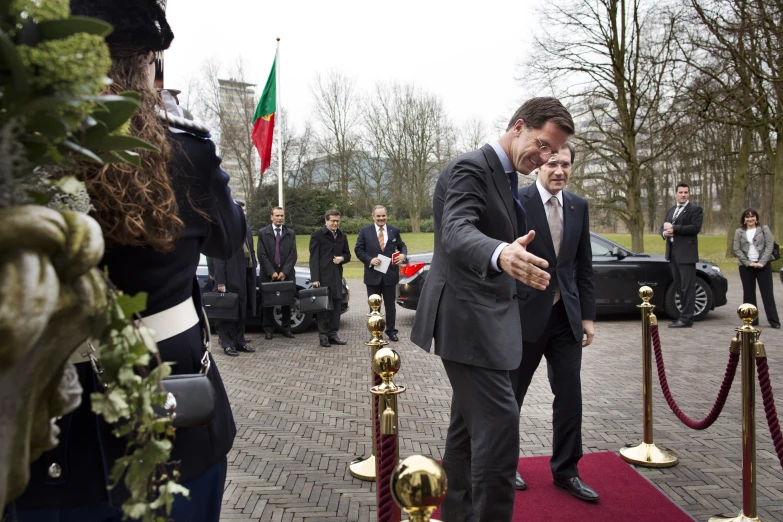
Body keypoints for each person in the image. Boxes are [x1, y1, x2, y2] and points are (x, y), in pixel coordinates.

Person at [11, 1, 245, 520]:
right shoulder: (186, 149)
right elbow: (229, 239)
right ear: (146, 62)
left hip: (50, 434)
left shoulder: (21, 152)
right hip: (175, 416)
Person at [410, 97, 574, 522]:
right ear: (518, 126)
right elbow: (456, 231)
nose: (541, 159)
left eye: (551, 154)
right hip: (466, 322)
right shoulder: (471, 168)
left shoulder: (505, 178)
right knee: (500, 429)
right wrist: (501, 254)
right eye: (540, 146)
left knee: (465, 434)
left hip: (489, 325)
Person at [512, 144, 598, 501]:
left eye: (565, 164)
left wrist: (588, 317)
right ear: (538, 167)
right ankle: (504, 465)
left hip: (567, 318)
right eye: (552, 163)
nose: (559, 170)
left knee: (569, 397)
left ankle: (566, 470)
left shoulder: (579, 205)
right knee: (510, 397)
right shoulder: (518, 201)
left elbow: (583, 265)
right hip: (526, 317)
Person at [354, 205, 407, 341]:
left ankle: (391, 331)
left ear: (386, 216)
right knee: (374, 306)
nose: (381, 218)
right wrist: (370, 260)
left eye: (383, 216)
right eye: (378, 216)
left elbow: (402, 245)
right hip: (373, 275)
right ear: (373, 217)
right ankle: (375, 331)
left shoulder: (394, 230)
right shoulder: (365, 231)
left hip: (390, 275)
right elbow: (358, 250)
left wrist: (403, 255)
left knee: (391, 307)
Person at [213, 201, 257, 355]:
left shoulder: (247, 231)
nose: (244, 213)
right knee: (228, 313)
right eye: (241, 210)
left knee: (241, 312)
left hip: (245, 277)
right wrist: (221, 282)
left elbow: (251, 253)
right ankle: (227, 344)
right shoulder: (224, 232)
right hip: (230, 277)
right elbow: (218, 259)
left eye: (245, 210)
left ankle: (240, 341)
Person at [660, 183, 703, 328]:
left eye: (685, 192)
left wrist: (674, 229)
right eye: (680, 192)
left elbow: (695, 228)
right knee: (678, 286)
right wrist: (664, 233)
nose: (683, 194)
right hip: (672, 254)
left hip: (686, 255)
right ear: (676, 194)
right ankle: (682, 316)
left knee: (687, 287)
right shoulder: (671, 210)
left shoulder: (695, 210)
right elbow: (663, 228)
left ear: (689, 194)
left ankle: (687, 318)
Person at [309, 209, 351, 348]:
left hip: (337, 277)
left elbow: (348, 255)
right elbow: (313, 258)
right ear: (326, 220)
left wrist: (342, 259)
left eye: (337, 221)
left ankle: (333, 335)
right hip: (322, 278)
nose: (335, 223)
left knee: (336, 308)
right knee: (324, 309)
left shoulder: (342, 236)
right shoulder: (317, 235)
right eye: (332, 220)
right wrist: (315, 278)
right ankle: (323, 337)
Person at [733, 208, 780, 328]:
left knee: (767, 293)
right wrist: (748, 263)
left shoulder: (764, 229)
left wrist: (762, 262)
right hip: (746, 266)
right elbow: (736, 249)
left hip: (763, 266)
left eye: (752, 216)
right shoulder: (739, 231)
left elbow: (770, 245)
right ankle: (751, 320)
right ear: (744, 219)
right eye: (747, 217)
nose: (750, 219)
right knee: (748, 294)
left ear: (756, 218)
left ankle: (774, 321)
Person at [258, 206, 297, 340]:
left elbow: (293, 254)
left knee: (286, 302)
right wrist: (272, 272)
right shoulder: (263, 232)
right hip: (269, 275)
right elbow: (261, 254)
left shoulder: (290, 233)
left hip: (286, 274)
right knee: (268, 303)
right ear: (271, 217)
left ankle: (286, 328)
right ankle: (268, 329)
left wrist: (284, 272)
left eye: (282, 216)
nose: (280, 218)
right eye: (277, 216)